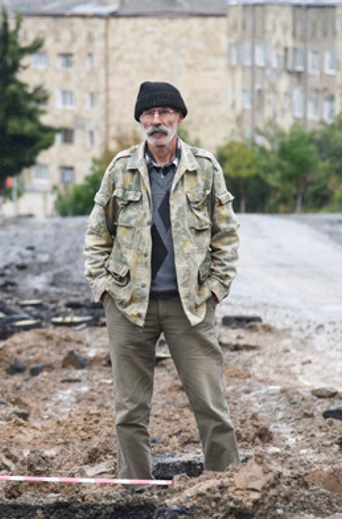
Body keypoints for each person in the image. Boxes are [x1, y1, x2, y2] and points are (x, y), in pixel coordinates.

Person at [83, 81, 240, 480]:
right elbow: (97, 234)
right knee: (130, 411)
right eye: (149, 115)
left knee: (211, 404)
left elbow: (226, 234)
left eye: (165, 113)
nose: (157, 121)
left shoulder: (204, 168)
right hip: (129, 306)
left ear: (179, 118)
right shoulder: (121, 170)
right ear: (140, 120)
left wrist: (217, 289)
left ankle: (227, 488)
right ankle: (134, 494)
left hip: (189, 305)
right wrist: (103, 289)